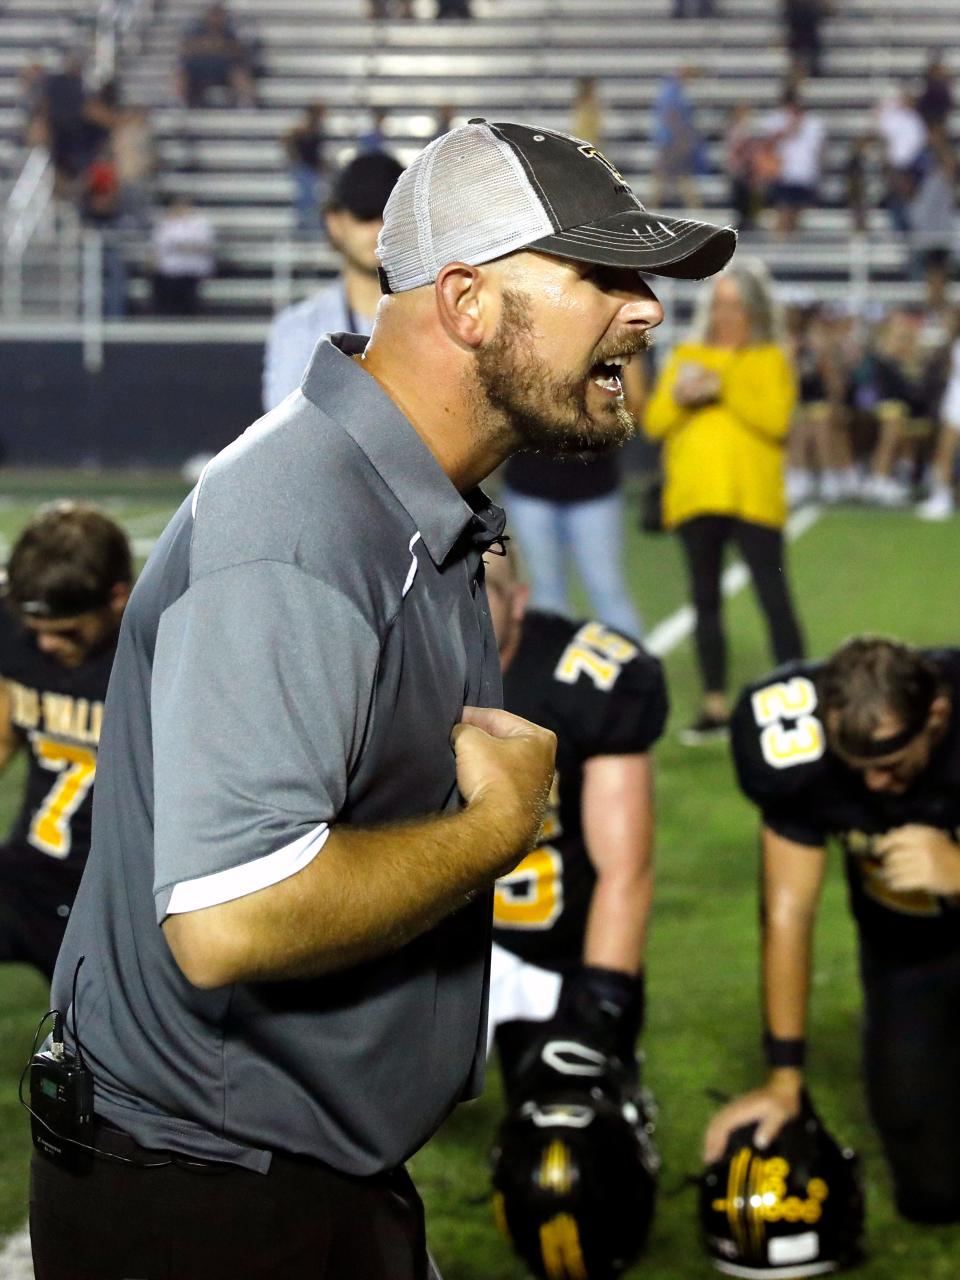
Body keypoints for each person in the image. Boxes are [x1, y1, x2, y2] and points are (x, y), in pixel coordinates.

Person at [32, 119, 735, 1280]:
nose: (648, 307)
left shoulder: (399, 497)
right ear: (466, 302)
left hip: (280, 1166)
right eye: (602, 274)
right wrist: (495, 829)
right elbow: (228, 917)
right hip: (209, 1198)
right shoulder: (303, 527)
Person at [706, 636, 960, 1225]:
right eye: (860, 770)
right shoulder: (795, 750)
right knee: (932, 1191)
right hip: (907, 956)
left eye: (892, 767)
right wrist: (784, 1077)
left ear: (938, 717)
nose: (874, 787)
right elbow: (788, 911)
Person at [484, 547, 667, 1103]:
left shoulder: (585, 678)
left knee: (570, 1150)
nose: (458, 605)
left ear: (518, 602)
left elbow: (625, 870)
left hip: (554, 958)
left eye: (480, 587)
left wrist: (602, 994)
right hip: (422, 958)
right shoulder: (379, 666)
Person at [644, 260, 804, 743]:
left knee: (774, 599)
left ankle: (799, 693)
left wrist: (723, 385)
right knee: (705, 601)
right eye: (720, 304)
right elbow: (653, 422)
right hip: (697, 498)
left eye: (736, 305)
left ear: (755, 309)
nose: (726, 315)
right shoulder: (689, 353)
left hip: (753, 499)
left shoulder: (769, 359)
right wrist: (682, 395)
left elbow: (776, 421)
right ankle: (715, 705)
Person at [0, 503, 132, 981]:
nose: (46, 646)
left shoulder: (157, 653)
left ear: (117, 598)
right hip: (27, 871)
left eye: (65, 631)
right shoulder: (15, 632)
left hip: (111, 900)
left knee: (99, 1048)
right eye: (35, 631)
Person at [262, 149, 403, 411]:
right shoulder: (299, 329)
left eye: (390, 215)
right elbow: (288, 439)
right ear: (334, 223)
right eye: (364, 214)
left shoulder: (441, 321)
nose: (379, 229)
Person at [151, 196, 215, 316]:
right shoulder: (165, 223)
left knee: (185, 285)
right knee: (161, 282)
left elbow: (205, 246)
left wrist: (179, 247)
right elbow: (157, 248)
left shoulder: (200, 222)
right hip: (169, 270)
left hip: (192, 268)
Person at [285, 101, 328, 233]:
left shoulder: (319, 128)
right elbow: (287, 140)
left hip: (313, 168)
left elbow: (318, 150)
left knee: (314, 197)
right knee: (306, 197)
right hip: (304, 167)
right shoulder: (303, 128)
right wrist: (295, 158)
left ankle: (312, 224)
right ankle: (302, 226)